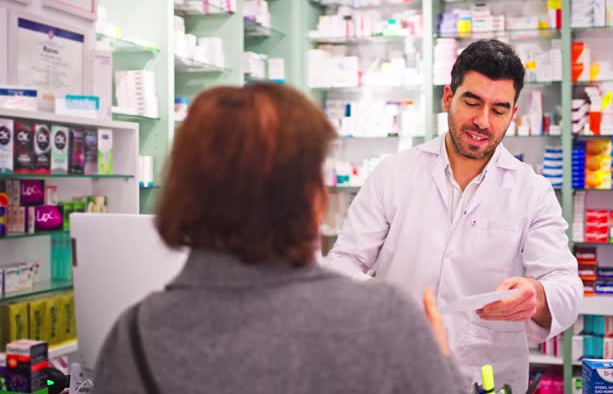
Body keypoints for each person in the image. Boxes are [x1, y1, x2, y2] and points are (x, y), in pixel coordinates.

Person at [94, 83, 463, 393]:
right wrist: (440, 357)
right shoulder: (383, 318)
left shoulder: (134, 336)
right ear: (314, 199)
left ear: (184, 191)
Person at [326, 39, 583, 390]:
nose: (482, 121)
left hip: (487, 379)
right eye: (472, 102)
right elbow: (341, 263)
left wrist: (535, 295)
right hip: (397, 370)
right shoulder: (394, 174)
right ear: (448, 97)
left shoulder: (532, 192)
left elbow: (567, 288)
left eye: (498, 109)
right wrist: (387, 302)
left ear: (513, 113)